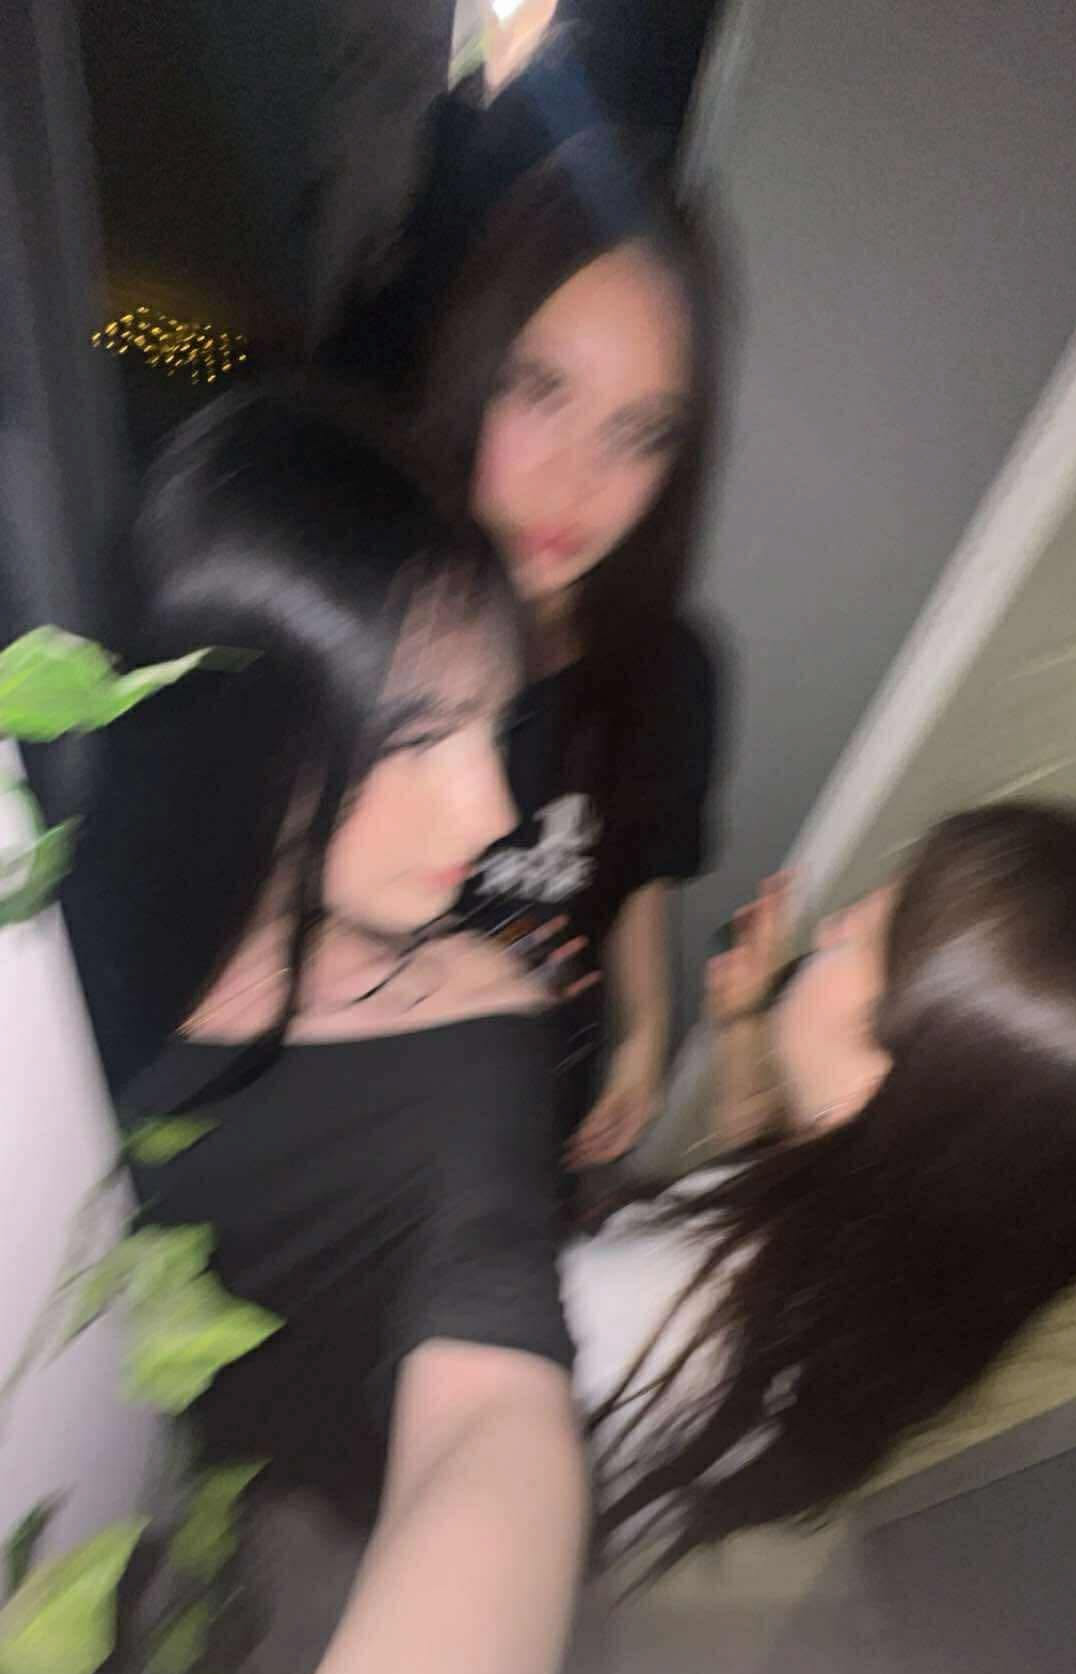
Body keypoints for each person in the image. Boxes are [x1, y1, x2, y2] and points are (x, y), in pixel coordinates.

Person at [68, 380, 588, 1674]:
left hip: (283, 1517)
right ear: (252, 730)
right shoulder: (68, 955)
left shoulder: (474, 1029)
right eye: (415, 735)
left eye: (492, 726)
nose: (492, 812)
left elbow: (495, 1414)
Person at [563, 802, 1076, 1580]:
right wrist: (742, 1025)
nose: (836, 923)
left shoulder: (636, 1308)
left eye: (858, 943)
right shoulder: (903, 1276)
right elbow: (777, 1161)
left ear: (891, 1096)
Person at [418, 130, 724, 1174]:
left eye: (638, 435)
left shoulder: (671, 671)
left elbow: (635, 866)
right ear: (477, 368)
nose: (576, 484)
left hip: (540, 1106)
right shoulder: (370, 629)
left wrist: (645, 1035)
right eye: (543, 391)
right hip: (376, 1110)